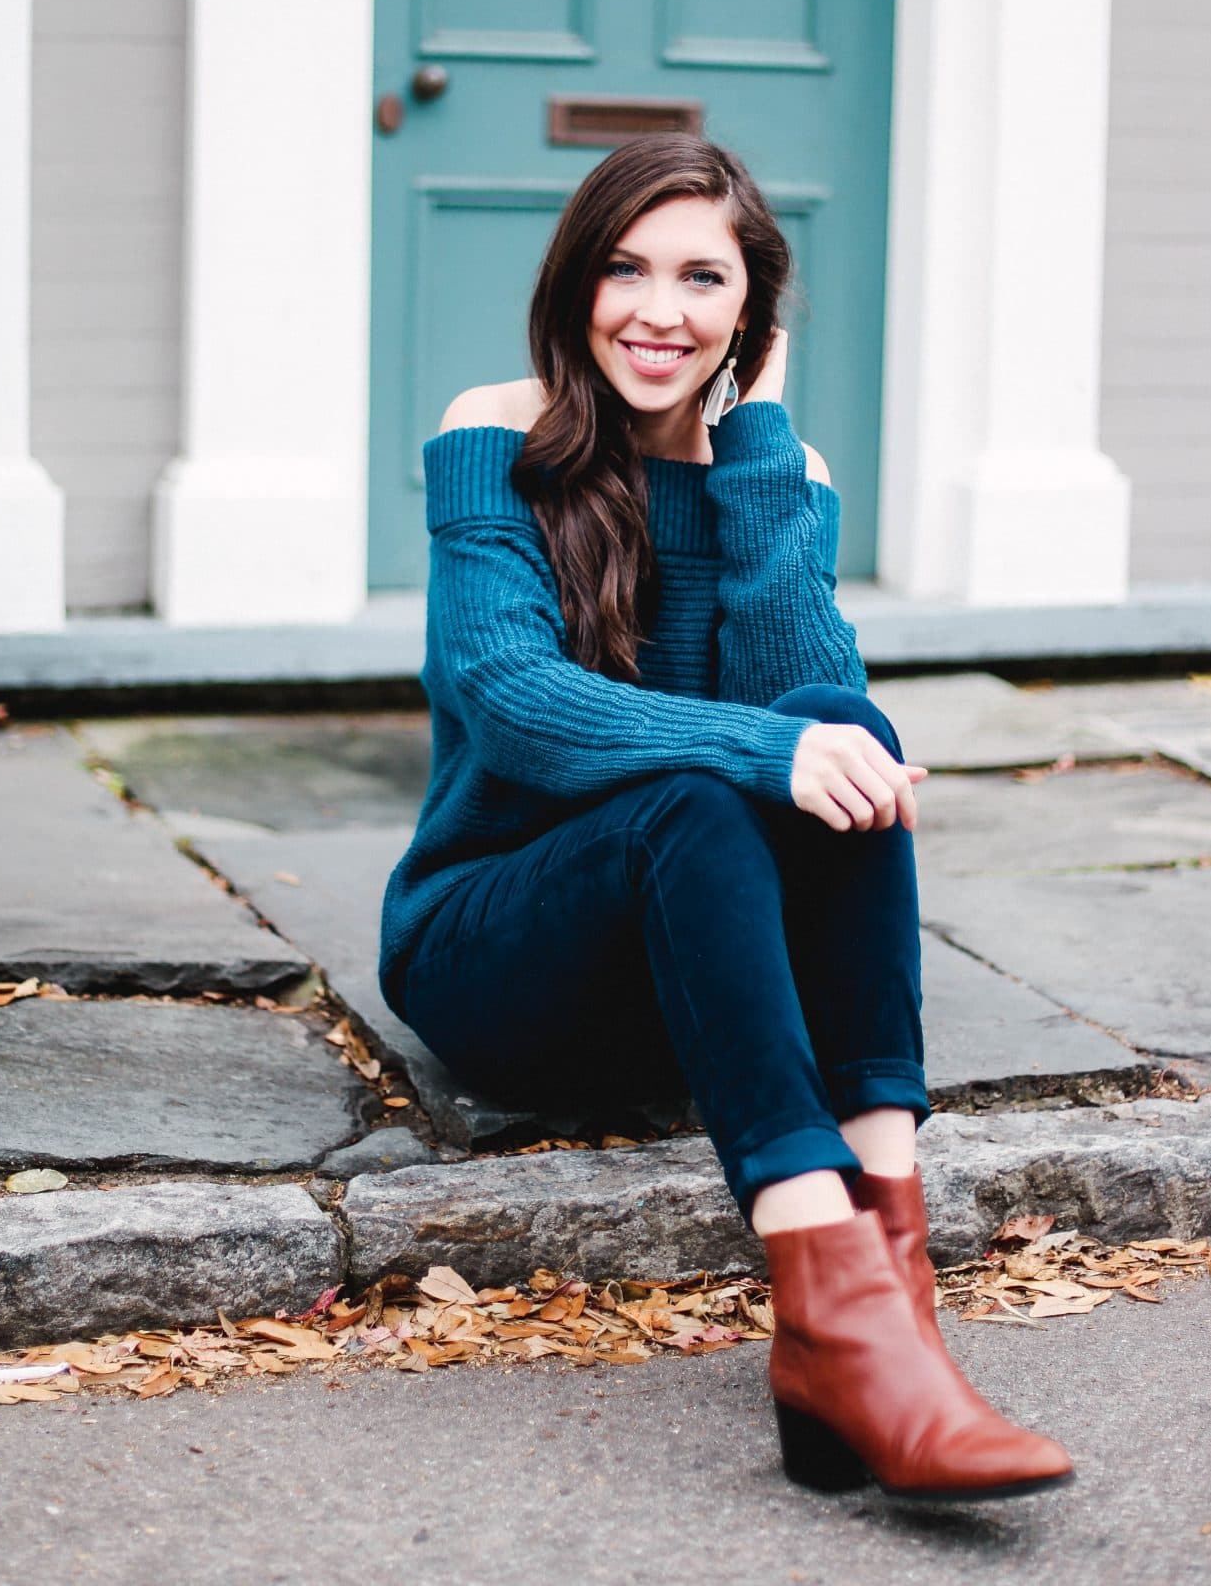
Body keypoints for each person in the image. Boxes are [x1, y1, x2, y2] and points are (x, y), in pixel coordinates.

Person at [379, 133, 1073, 1503]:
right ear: (578, 282)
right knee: (710, 785)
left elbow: (806, 694)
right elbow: (514, 699)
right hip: (498, 946)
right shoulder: (494, 433)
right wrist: (768, 751)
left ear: (749, 309)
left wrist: (755, 443)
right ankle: (844, 1311)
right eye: (626, 269)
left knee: (850, 730)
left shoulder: (774, 463)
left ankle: (886, 1286)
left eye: (704, 278)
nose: (659, 311)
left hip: (691, 961)